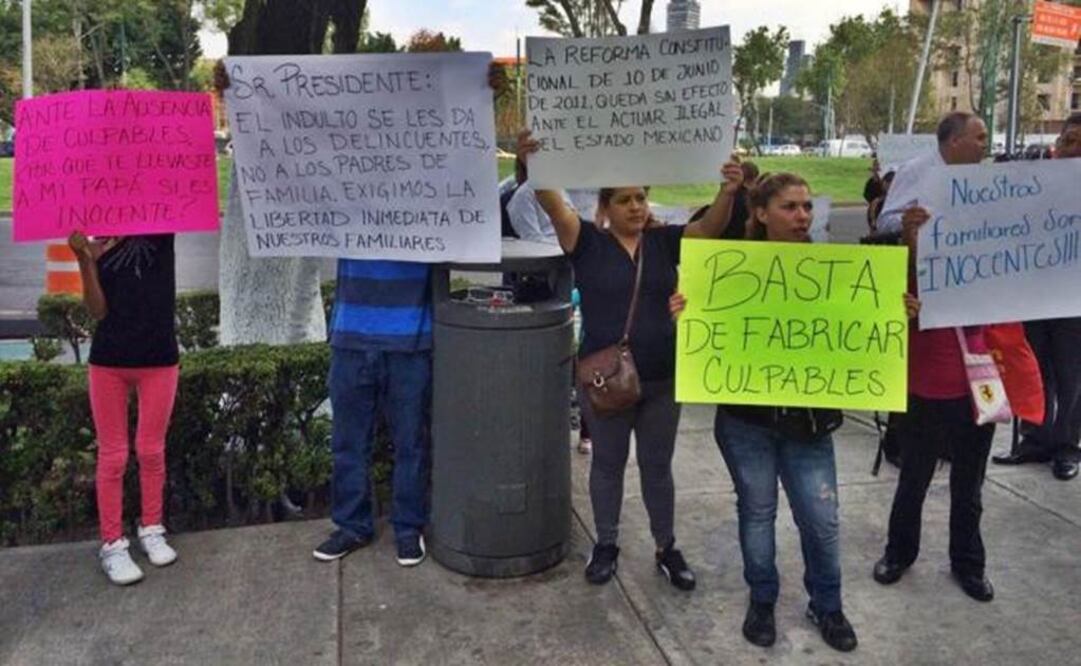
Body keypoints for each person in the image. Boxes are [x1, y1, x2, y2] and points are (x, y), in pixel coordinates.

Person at [520, 128, 742, 591]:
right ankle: (606, 544)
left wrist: (728, 190)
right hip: (607, 382)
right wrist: (534, 163)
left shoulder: (665, 243)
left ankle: (666, 546)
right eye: (624, 200)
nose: (636, 207)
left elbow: (711, 228)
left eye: (641, 198)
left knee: (657, 467)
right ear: (605, 208)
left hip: (662, 378)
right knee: (608, 465)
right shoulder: (585, 241)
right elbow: (552, 202)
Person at [312, 63, 508, 567]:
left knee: (411, 445)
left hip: (410, 340)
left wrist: (484, 97)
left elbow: (476, 186)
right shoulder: (342, 191)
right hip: (351, 339)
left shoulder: (433, 193)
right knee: (347, 445)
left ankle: (407, 526)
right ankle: (352, 526)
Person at [671, 173, 871, 653]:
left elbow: (856, 332)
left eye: (806, 207)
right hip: (747, 423)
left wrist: (890, 309)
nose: (803, 216)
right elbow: (704, 340)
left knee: (821, 521)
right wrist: (686, 314)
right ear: (760, 213)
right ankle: (762, 599)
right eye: (790, 207)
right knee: (757, 516)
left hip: (809, 424)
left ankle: (827, 603)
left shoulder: (834, 270)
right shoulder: (728, 270)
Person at [872, 111, 1000, 603]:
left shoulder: (992, 191)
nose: (986, 145)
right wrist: (910, 232)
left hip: (981, 369)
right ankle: (899, 552)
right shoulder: (918, 181)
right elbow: (896, 250)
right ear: (953, 141)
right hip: (929, 370)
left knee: (970, 483)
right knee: (915, 476)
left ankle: (969, 563)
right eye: (979, 136)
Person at [69, 231, 180, 586]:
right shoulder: (97, 241)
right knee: (113, 456)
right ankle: (113, 543)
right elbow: (97, 309)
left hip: (159, 358)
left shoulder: (162, 229)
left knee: (151, 450)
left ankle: (151, 526)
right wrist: (85, 259)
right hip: (109, 361)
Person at [992, 113, 1081, 481]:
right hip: (1031, 292)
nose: (1074, 149)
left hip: (1074, 297)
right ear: (1056, 145)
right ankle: (1034, 438)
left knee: (1070, 374)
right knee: (1032, 368)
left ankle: (1067, 446)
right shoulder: (1028, 180)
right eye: (1070, 140)